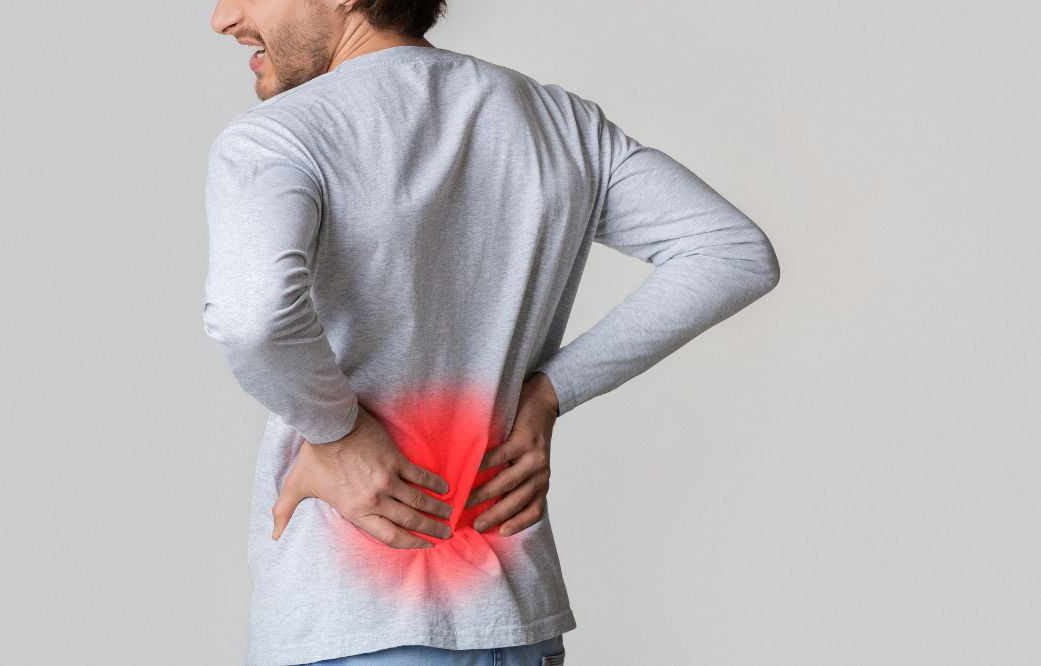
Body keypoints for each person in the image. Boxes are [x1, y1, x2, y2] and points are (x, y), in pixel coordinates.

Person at [203, 1, 781, 664]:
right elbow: (729, 252)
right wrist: (548, 392)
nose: (223, 17)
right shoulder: (555, 122)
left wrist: (336, 433)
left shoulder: (281, 134)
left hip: (356, 617)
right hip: (515, 620)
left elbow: (253, 316)